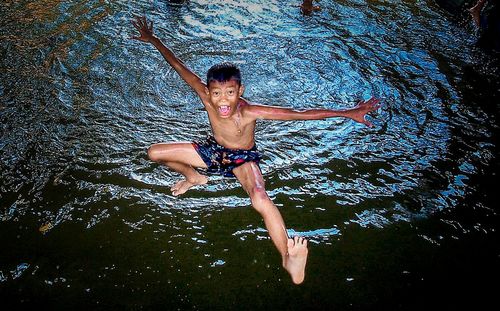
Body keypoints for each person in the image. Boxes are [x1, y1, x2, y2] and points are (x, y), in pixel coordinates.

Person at [131, 16, 381, 285]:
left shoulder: (249, 112)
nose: (222, 101)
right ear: (209, 91)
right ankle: (195, 177)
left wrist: (346, 113)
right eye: (216, 93)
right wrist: (153, 39)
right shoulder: (205, 95)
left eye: (230, 93)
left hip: (241, 160)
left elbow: (299, 114)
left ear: (240, 91)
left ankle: (288, 257)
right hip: (214, 151)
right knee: (154, 152)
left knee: (259, 197)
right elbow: (179, 66)